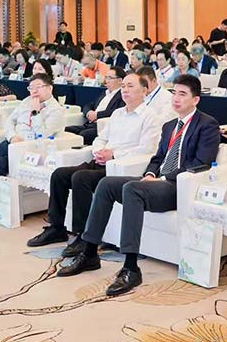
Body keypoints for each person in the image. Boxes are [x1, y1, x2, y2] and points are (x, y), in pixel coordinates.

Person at [56, 75, 220, 296]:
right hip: (157, 181)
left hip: (178, 186)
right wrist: (151, 173)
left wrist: (163, 178)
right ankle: (90, 252)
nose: (176, 98)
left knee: (132, 189)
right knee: (106, 184)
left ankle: (131, 267)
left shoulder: (207, 124)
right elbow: (158, 157)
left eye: (183, 94)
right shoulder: (170, 125)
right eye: (174, 93)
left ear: (196, 99)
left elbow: (201, 163)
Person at [29, 72, 162, 249]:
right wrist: (99, 151)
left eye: (130, 86)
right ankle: (56, 227)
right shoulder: (117, 114)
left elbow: (147, 149)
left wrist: (113, 154)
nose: (125, 90)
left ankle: (83, 235)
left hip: (120, 166)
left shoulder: (151, 117)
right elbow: (101, 138)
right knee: (59, 174)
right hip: (100, 160)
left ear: (144, 91)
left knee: (81, 178)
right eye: (123, 86)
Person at [0, 73, 66, 223]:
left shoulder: (56, 111)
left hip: (27, 152)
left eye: (38, 87)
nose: (34, 91)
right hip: (9, 145)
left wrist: (35, 113)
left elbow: (42, 136)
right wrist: (12, 136)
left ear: (50, 88)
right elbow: (10, 122)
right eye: (31, 88)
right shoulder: (26, 102)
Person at [65, 66, 126, 145]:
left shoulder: (123, 95)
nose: (106, 81)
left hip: (103, 126)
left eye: (110, 78)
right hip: (90, 124)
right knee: (67, 130)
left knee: (84, 135)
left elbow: (117, 111)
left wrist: (97, 115)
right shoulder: (105, 93)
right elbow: (90, 105)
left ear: (120, 80)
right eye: (106, 77)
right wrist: (88, 112)